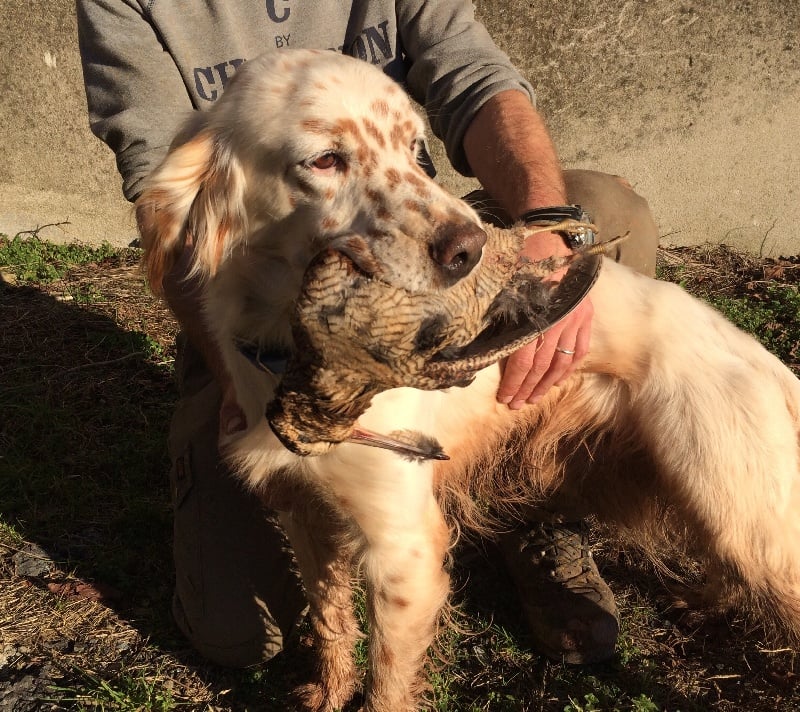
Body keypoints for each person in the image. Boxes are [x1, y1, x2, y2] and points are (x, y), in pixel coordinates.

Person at [77, 0, 658, 668]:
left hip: (410, 239)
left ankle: (537, 509)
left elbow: (473, 73)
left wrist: (551, 238)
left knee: (606, 210)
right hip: (260, 322)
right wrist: (241, 377)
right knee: (239, 634)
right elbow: (172, 201)